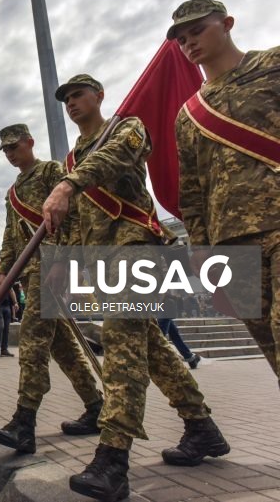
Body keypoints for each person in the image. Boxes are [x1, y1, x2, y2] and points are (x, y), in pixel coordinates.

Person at [42, 76, 229, 501]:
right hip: (100, 260)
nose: (71, 103)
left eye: (78, 95)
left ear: (99, 97)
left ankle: (113, 458)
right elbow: (74, 222)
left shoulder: (127, 128)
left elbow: (116, 159)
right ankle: (202, 427)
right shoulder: (74, 158)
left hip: (135, 249)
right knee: (153, 346)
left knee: (122, 346)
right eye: (66, 98)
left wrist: (68, 183)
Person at [169, 0, 279, 386]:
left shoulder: (272, 66)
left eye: (198, 31)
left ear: (227, 23)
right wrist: (199, 246)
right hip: (231, 243)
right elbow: (192, 190)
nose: (190, 44)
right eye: (182, 39)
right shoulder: (189, 113)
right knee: (270, 347)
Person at [0, 125, 104, 458]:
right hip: (30, 275)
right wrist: (6, 273)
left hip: (52, 268)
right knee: (63, 347)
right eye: (5, 150)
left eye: (14, 147)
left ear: (29, 143)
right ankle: (96, 407)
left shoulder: (52, 172)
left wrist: (64, 261)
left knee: (33, 343)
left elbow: (75, 216)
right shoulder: (13, 192)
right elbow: (11, 237)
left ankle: (24, 423)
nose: (10, 154)